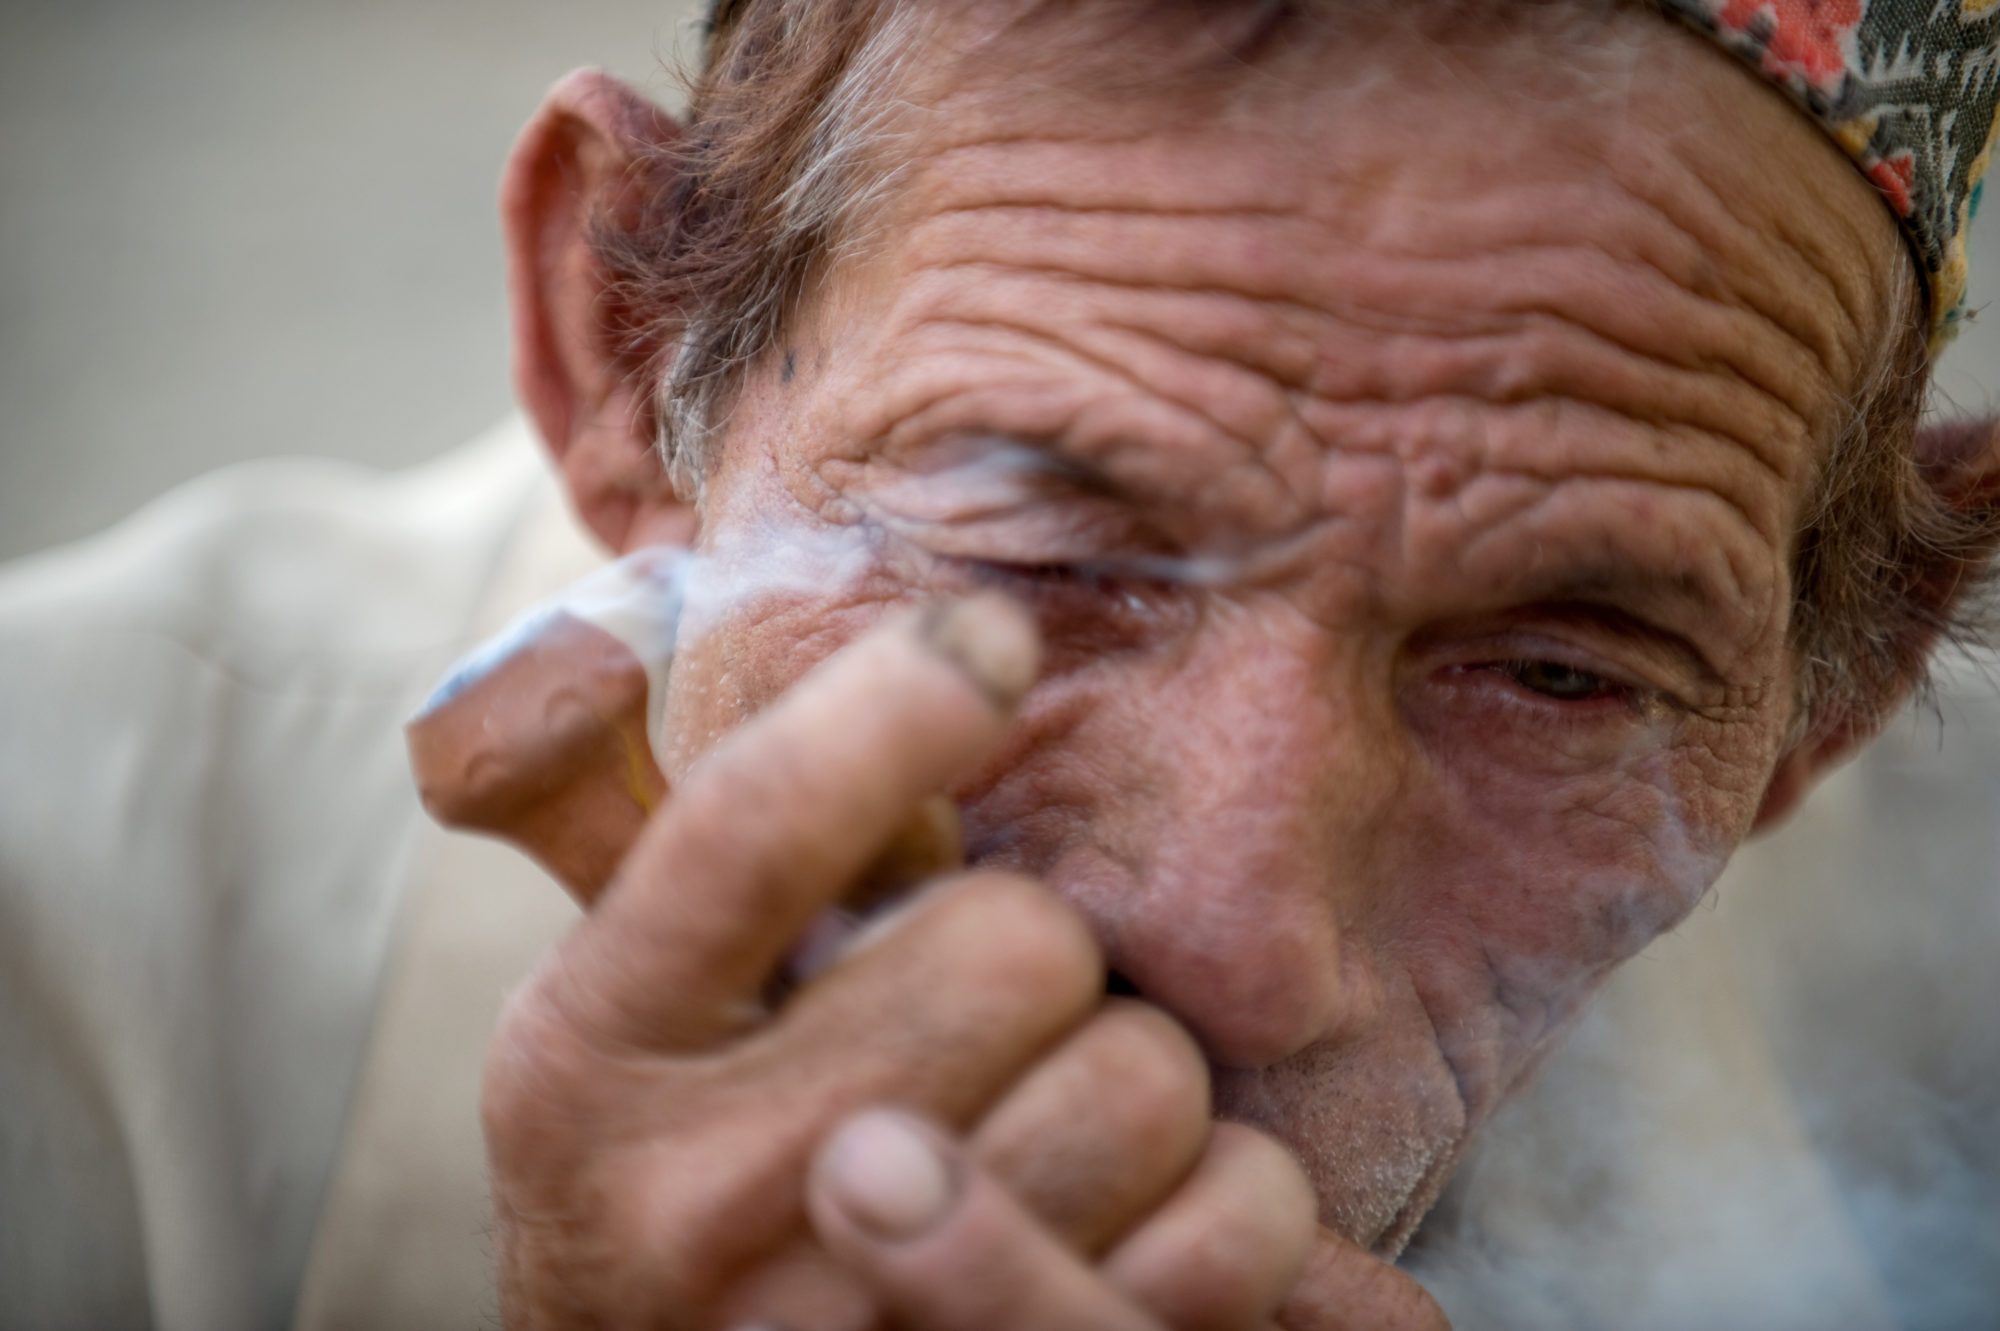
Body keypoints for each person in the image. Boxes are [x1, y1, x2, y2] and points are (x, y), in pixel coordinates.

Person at [3, 1, 1998, 1328]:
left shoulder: (1962, 985)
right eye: (1032, 557)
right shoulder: (58, 933)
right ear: (628, 367)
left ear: (1826, 700)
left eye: (1557, 676)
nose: (1232, 936)